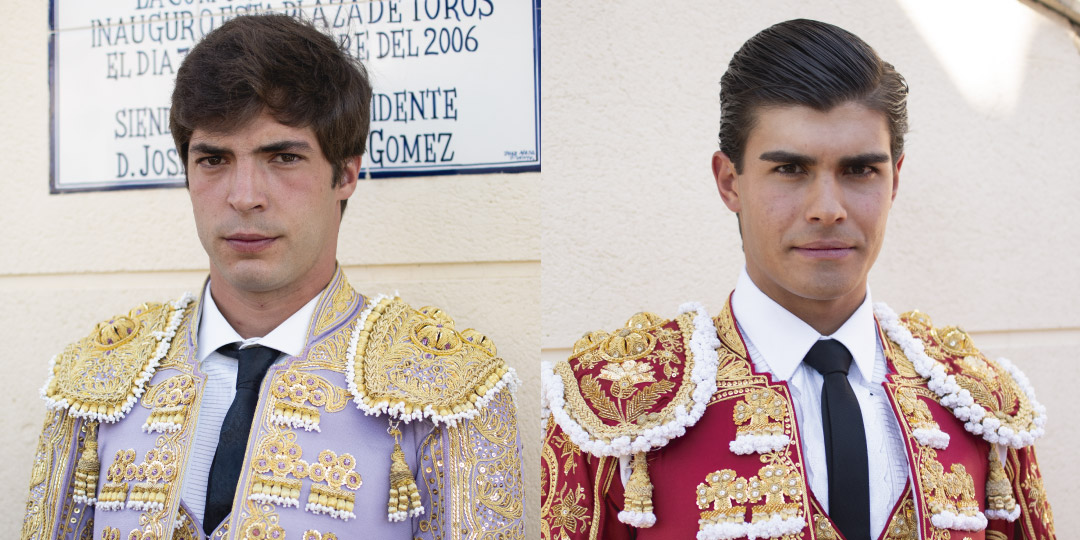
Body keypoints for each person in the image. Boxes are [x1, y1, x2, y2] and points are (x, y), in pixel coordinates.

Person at [541, 19, 1054, 540]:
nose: (827, 210)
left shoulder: (982, 404)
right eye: (790, 170)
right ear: (729, 182)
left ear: (894, 180)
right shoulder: (612, 404)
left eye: (859, 171)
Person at [23, 14, 524, 540]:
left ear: (346, 173)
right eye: (213, 159)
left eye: (283, 157)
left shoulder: (451, 389)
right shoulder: (98, 378)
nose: (243, 196)